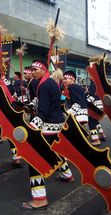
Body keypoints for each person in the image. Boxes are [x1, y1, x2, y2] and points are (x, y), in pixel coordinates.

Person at [22, 59, 74, 210]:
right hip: (57, 124)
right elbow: (48, 102)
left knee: (34, 159)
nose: (32, 72)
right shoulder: (50, 82)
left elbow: (43, 111)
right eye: (31, 69)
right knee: (56, 152)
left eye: (35, 69)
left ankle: (39, 198)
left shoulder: (44, 84)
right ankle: (67, 175)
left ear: (44, 70)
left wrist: (32, 127)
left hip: (48, 125)